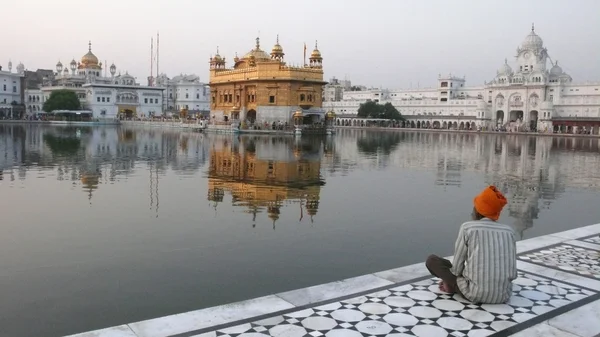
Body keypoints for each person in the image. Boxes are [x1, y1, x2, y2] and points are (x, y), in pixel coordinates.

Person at [425, 185, 517, 304]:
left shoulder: (467, 228)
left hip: (473, 293)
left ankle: (450, 286)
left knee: (432, 261)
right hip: (503, 295)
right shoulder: (509, 232)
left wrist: (449, 280)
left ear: (477, 210)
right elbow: (513, 273)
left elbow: (456, 270)